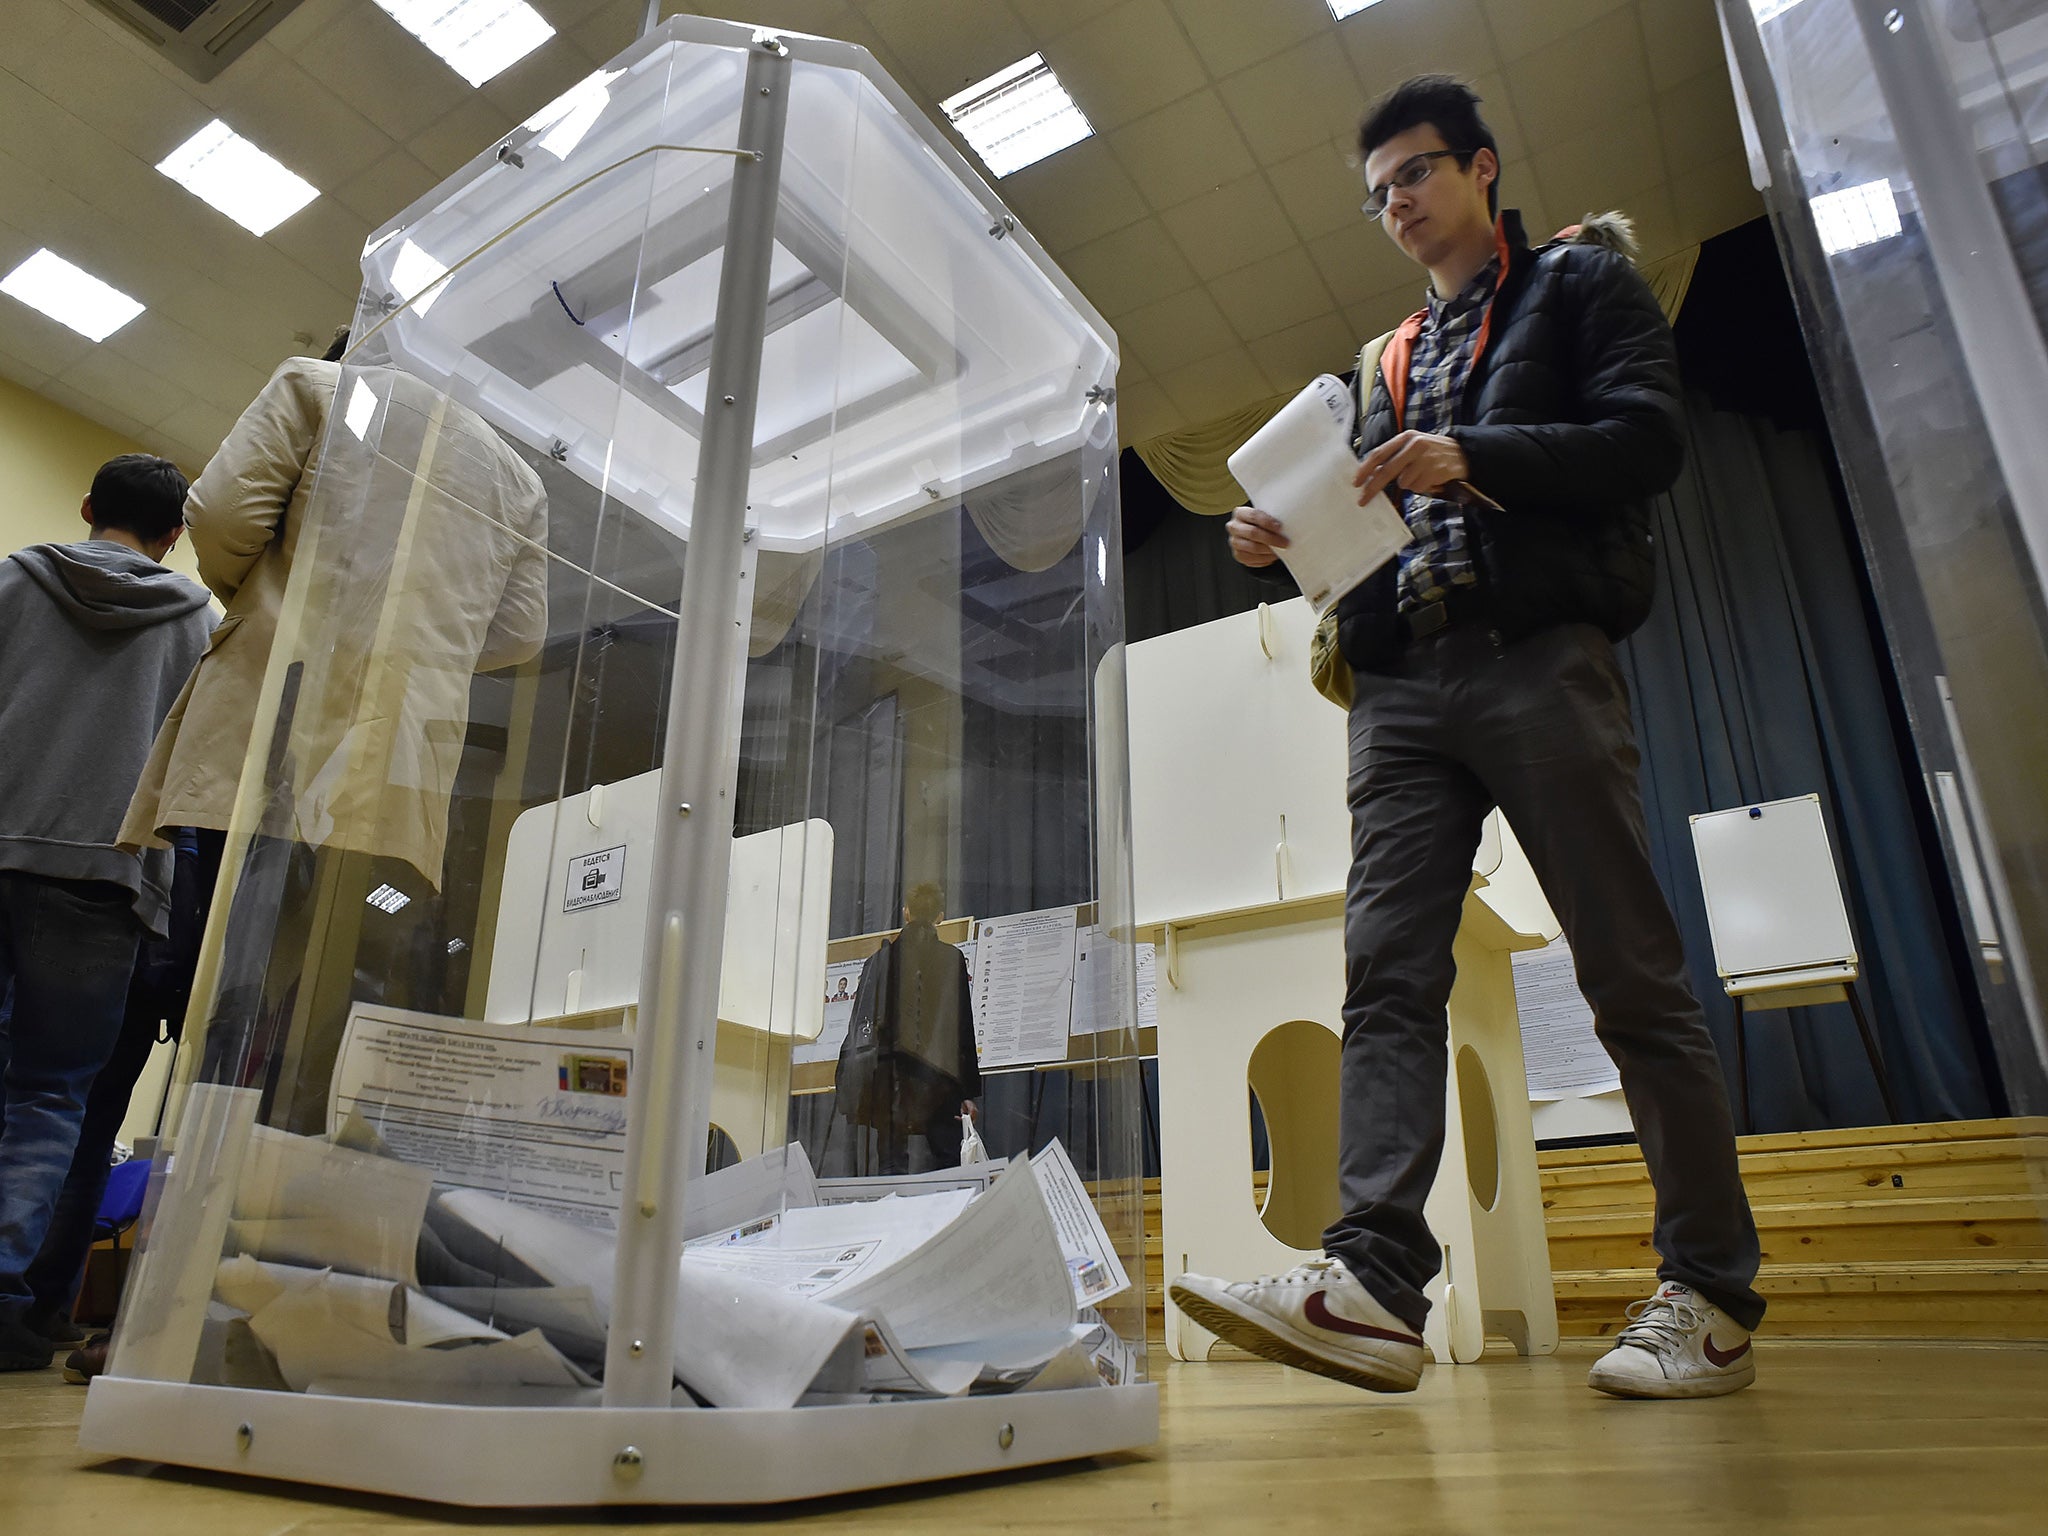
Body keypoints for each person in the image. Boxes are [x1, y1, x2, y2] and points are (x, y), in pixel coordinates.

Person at [1173, 76, 1764, 1401]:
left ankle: (1712, 1292)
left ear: (1483, 168)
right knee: (1384, 981)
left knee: (1629, 973)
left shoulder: (1580, 288)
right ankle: (1377, 1286)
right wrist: (1279, 543)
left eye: (1416, 174)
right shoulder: (1375, 367)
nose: (1396, 204)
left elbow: (1646, 439)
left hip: (1538, 657)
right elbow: (1356, 536)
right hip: (1400, 693)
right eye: (1379, 191)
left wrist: (1471, 453)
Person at [119, 329, 550, 1130]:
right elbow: (522, 632)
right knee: (324, 1009)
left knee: (220, 979)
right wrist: (421, 653)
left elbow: (216, 514)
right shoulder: (519, 479)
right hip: (399, 765)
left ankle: (189, 1189)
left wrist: (274, 598)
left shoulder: (320, 386)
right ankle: (264, 1214)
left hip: (273, 721)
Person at [0, 455, 213, 1370]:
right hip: (108, 881)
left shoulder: (10, 578)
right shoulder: (204, 624)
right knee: (50, 1101)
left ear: (89, 510)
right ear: (175, 536)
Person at [833, 882, 981, 1175]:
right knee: (948, 1165)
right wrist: (968, 1091)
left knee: (890, 1164)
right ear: (940, 916)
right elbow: (963, 1026)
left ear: (906, 913)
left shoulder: (879, 960)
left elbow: (860, 1025)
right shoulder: (952, 959)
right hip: (940, 1078)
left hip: (890, 1080)